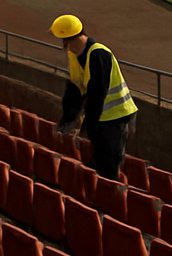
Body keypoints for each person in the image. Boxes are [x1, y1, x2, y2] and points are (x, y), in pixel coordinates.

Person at [51, 14, 139, 180]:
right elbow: (74, 90)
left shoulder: (99, 54)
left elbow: (98, 93)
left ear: (66, 38)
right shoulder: (74, 54)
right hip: (99, 118)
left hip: (115, 116)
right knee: (98, 163)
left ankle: (112, 192)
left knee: (109, 165)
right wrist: (68, 119)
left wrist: (86, 124)